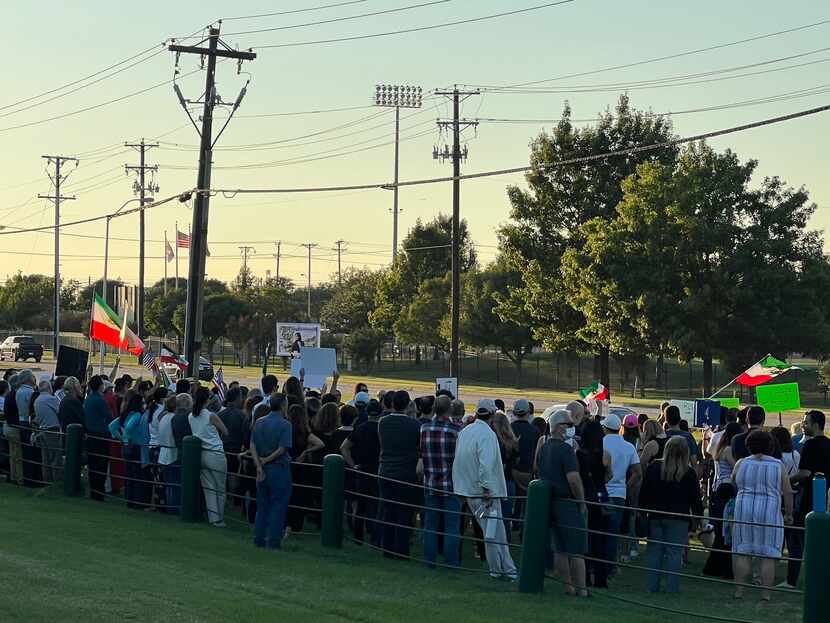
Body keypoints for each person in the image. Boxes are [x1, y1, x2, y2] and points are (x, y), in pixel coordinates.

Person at [453, 398, 518, 581]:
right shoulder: (487, 435)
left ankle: (502, 570)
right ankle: (504, 571)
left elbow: (460, 460)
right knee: (496, 535)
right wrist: (488, 489)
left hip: (469, 489)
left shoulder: (466, 431)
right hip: (484, 492)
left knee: (494, 534)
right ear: (492, 414)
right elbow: (486, 465)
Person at [731, 430, 793, 601]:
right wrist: (789, 513)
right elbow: (787, 491)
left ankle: (739, 591)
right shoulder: (777, 465)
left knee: (743, 550)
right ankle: (765, 594)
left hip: (744, 508)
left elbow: (733, 480)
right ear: (770, 446)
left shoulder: (741, 463)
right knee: (768, 554)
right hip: (769, 510)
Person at [640, 437, 704, 593]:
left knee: (654, 552)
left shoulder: (654, 468)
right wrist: (698, 517)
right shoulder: (688, 473)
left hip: (656, 515)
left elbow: (644, 493)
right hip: (679, 518)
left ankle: (652, 587)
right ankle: (671, 588)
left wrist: (642, 512)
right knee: (675, 554)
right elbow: (695, 498)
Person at [538, 409, 588, 597]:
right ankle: (582, 589)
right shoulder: (566, 450)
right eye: (569, 425)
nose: (572, 428)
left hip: (550, 502)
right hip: (566, 502)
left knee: (559, 548)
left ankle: (568, 586)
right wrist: (581, 502)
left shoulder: (544, 446)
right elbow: (573, 479)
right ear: (559, 427)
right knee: (576, 549)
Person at [377, 390, 422, 559]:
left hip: (386, 471)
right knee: (404, 513)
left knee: (389, 512)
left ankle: (387, 549)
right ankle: (401, 550)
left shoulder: (383, 422)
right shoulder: (414, 425)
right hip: (405, 472)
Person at [420, 394, 461, 568]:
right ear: (449, 409)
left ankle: (429, 561)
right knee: (452, 527)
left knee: (430, 524)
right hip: (450, 484)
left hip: (430, 482)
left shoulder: (424, 428)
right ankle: (451, 562)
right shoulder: (455, 431)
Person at [790, 410, 830, 587]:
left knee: (797, 540)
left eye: (805, 422)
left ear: (815, 425)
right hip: (825, 496)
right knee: (819, 542)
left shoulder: (810, 445)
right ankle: (819, 579)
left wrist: (786, 479)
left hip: (808, 497)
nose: (803, 425)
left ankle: (792, 580)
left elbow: (804, 473)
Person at [601, 412, 642, 577]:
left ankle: (603, 565)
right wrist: (625, 484)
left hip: (602, 491)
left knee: (600, 531)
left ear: (605, 428)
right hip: (620, 493)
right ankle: (613, 565)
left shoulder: (600, 443)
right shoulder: (629, 447)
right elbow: (638, 473)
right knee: (615, 531)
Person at [250, 393, 293, 549]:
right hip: (278, 469)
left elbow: (252, 445)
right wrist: (267, 460)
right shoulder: (285, 425)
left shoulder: (259, 422)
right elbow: (283, 448)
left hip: (262, 470)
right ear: (283, 405)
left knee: (262, 506)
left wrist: (259, 465)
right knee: (278, 506)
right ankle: (273, 541)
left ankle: (258, 538)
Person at [576, 420, 612, 588]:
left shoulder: (579, 454)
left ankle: (584, 575)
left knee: (584, 537)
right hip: (600, 493)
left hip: (585, 494)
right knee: (600, 539)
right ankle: (600, 577)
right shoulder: (605, 454)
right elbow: (609, 476)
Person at [342, 398, 383, 545]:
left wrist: (352, 465)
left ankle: (358, 537)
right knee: (376, 505)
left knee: (361, 506)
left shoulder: (360, 428)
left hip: (362, 470)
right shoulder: (382, 430)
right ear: (381, 413)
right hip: (378, 470)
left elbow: (344, 447)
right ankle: (374, 537)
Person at [189, 387, 229, 527]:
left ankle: (213, 517)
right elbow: (225, 431)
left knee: (209, 488)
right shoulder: (210, 415)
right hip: (215, 453)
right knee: (220, 488)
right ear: (207, 399)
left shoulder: (191, 416)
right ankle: (220, 518)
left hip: (201, 453)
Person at [286, 403, 324, 533]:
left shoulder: (286, 429)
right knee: (299, 496)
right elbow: (320, 443)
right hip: (301, 466)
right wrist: (306, 452)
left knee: (287, 495)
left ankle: (286, 522)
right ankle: (297, 526)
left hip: (288, 464)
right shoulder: (304, 431)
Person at [490, 410, 519, 536]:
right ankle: (505, 545)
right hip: (509, 482)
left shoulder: (496, 442)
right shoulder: (512, 442)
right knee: (505, 520)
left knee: (494, 520)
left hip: (497, 483)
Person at [83, 375, 112, 501]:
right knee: (101, 464)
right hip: (100, 434)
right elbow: (109, 416)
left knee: (93, 464)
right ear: (100, 385)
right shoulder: (99, 400)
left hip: (90, 434)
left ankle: (94, 490)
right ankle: (99, 492)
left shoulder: (88, 399)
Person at [218, 387, 249, 502]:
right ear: (237, 398)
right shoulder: (242, 415)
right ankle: (233, 500)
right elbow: (245, 435)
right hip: (236, 451)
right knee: (233, 476)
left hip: (222, 449)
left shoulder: (221, 414)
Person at [32, 380, 63, 483]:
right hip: (52, 430)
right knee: (55, 459)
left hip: (42, 430)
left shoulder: (37, 400)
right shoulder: (51, 399)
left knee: (45, 460)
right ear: (49, 388)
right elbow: (60, 411)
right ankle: (57, 482)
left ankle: (47, 482)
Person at [510, 398, 540, 496]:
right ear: (528, 412)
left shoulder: (509, 429)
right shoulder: (535, 431)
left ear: (514, 412)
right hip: (528, 473)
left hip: (511, 472)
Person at [663, 405, 699, 470]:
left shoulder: (662, 436)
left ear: (666, 420)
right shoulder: (688, 437)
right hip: (683, 473)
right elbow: (694, 462)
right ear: (679, 419)